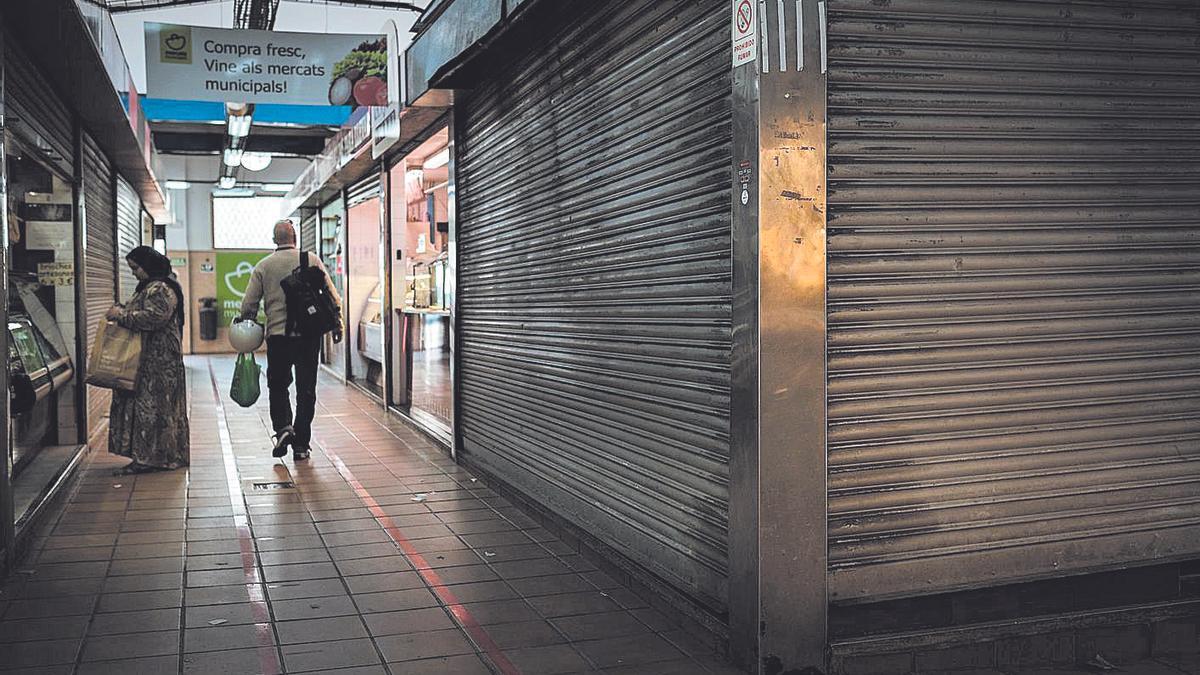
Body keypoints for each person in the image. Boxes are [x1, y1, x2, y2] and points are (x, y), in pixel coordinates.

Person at [239, 219, 342, 461]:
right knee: (306, 390)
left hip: (278, 338)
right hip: (308, 336)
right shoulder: (311, 259)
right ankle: (301, 445)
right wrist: (338, 323)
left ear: (274, 240)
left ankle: (284, 427)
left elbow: (248, 305)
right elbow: (332, 296)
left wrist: (246, 325)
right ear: (295, 237)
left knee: (278, 384)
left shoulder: (264, 266)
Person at [107, 246, 190, 475]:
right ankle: (158, 456)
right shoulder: (152, 287)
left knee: (152, 410)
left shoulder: (160, 288)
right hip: (150, 361)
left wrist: (121, 316)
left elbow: (155, 317)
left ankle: (151, 459)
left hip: (158, 364)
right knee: (155, 409)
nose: (134, 273)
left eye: (136, 268)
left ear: (149, 265)